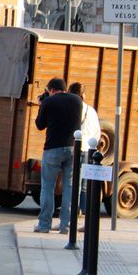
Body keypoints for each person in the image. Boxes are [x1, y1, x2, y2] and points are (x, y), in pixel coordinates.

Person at [34, 77, 82, 233]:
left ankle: (44, 225)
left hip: (52, 149)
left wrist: (42, 105)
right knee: (69, 187)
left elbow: (40, 125)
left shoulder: (49, 102)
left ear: (52, 90)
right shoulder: (77, 101)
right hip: (73, 148)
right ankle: (65, 226)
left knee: (48, 187)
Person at [69, 81, 100, 218]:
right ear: (84, 95)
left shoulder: (71, 108)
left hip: (74, 149)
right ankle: (85, 214)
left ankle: (73, 212)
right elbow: (97, 132)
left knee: (74, 183)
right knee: (85, 184)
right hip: (88, 150)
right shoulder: (91, 111)